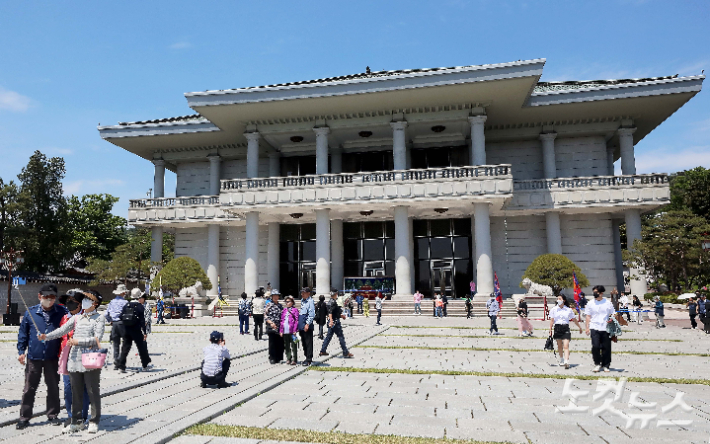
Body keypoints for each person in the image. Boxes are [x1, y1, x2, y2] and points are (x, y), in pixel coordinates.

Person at [40, 290, 105, 434]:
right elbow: (61, 330)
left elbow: (97, 339)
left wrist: (78, 341)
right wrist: (46, 336)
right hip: (74, 359)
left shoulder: (99, 318)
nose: (84, 302)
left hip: (90, 358)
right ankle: (77, 421)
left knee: (91, 390)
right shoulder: (77, 318)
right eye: (83, 299)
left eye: (87, 299)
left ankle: (94, 420)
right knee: (75, 392)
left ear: (95, 303)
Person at [16, 283, 68, 429]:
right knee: (29, 388)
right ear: (40, 296)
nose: (49, 300)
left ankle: (52, 414)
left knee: (53, 386)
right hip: (34, 356)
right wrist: (21, 351)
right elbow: (23, 334)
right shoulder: (30, 312)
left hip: (53, 357)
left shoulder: (61, 312)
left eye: (52, 297)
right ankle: (24, 417)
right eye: (46, 297)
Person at [58, 292, 90, 427]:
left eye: (73, 301)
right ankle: (71, 415)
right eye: (68, 300)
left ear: (80, 303)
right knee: (67, 387)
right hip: (66, 358)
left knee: (82, 388)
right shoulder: (64, 318)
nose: (70, 303)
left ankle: (82, 416)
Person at [116, 288, 152, 373]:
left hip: (126, 330)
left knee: (125, 348)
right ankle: (145, 364)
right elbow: (142, 320)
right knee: (141, 347)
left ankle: (121, 365)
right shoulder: (139, 306)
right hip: (136, 330)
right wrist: (144, 332)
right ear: (139, 296)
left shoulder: (126, 305)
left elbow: (121, 316)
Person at [584, 285, 616, 373]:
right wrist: (587, 327)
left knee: (606, 347)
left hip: (605, 328)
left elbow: (613, 313)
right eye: (594, 292)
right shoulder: (590, 303)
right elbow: (588, 316)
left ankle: (606, 365)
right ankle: (597, 363)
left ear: (601, 293)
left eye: (596, 292)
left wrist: (612, 320)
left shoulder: (607, 303)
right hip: (594, 327)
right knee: (595, 346)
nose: (595, 294)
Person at [549, 295, 584, 369]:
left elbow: (574, 319)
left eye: (560, 299)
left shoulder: (568, 310)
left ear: (564, 300)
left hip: (565, 328)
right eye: (557, 299)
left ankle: (566, 361)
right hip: (557, 327)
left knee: (566, 345)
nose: (558, 300)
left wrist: (579, 327)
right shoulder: (554, 309)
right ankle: (561, 359)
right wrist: (550, 329)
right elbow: (552, 320)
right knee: (559, 345)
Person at [319, 291, 354, 358]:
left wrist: (341, 316)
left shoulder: (330, 302)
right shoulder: (333, 302)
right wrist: (331, 321)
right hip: (334, 322)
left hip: (332, 321)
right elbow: (330, 312)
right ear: (335, 294)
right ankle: (345, 352)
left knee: (328, 337)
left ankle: (323, 350)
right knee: (340, 336)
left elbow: (334, 312)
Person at [104, 284, 129, 369]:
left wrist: (110, 321)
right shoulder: (125, 303)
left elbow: (106, 314)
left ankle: (116, 360)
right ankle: (121, 361)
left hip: (114, 324)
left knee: (115, 343)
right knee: (125, 343)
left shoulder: (112, 302)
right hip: (123, 324)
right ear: (123, 293)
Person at [265, 292, 284, 364]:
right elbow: (265, 315)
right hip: (271, 326)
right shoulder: (269, 305)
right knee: (272, 343)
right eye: (274, 296)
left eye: (277, 296)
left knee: (279, 342)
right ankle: (272, 357)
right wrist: (271, 323)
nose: (276, 297)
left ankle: (279, 357)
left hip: (279, 327)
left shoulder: (280, 306)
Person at [280, 296, 300, 365]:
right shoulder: (284, 310)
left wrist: (295, 330)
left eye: (288, 301)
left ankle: (295, 359)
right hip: (285, 330)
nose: (287, 303)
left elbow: (297, 321)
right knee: (286, 345)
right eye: (286, 302)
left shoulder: (295, 310)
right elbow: (282, 320)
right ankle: (288, 358)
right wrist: (281, 331)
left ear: (292, 302)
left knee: (294, 345)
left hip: (292, 331)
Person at [299, 287, 315, 366]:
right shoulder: (303, 301)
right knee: (304, 342)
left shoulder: (310, 301)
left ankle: (309, 358)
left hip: (306, 325)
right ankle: (306, 356)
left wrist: (307, 324)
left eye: (304, 293)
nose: (302, 294)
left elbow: (311, 314)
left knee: (308, 342)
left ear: (308, 293)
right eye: (302, 293)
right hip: (301, 324)